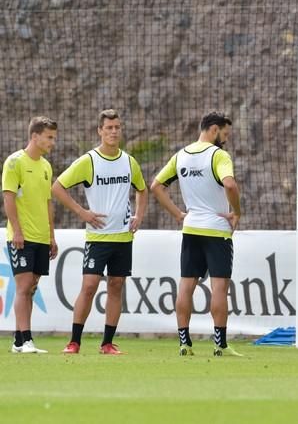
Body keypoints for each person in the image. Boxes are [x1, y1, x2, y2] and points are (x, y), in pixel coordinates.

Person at [52, 109, 148, 355]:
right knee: (90, 285)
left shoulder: (129, 161)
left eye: (117, 127)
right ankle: (74, 341)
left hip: (123, 238)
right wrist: (82, 212)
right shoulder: (89, 161)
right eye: (109, 128)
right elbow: (58, 187)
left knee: (116, 286)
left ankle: (107, 343)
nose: (113, 131)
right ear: (100, 131)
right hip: (97, 238)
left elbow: (142, 189)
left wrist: (139, 215)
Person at [151, 111, 242, 357]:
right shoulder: (218, 155)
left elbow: (156, 186)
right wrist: (236, 211)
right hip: (216, 229)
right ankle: (220, 345)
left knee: (186, 286)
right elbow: (230, 184)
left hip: (191, 228)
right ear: (213, 129)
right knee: (219, 288)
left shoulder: (181, 155)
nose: (225, 139)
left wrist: (179, 215)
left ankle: (184, 342)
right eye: (224, 134)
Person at [2, 116, 58, 354]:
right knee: (23, 287)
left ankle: (18, 341)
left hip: (41, 237)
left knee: (31, 288)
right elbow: (8, 198)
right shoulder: (14, 162)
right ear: (34, 136)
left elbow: (47, 203)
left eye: (53, 137)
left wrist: (51, 236)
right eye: (49, 137)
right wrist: (18, 231)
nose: (52, 142)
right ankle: (26, 340)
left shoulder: (46, 166)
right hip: (21, 237)